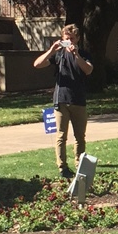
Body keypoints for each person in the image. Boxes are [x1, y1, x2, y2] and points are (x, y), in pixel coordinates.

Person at [34, 24, 94, 177]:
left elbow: (88, 70)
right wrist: (51, 50)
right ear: (62, 39)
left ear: (78, 39)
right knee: (61, 136)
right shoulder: (59, 55)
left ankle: (79, 166)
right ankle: (63, 168)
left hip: (78, 100)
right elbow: (37, 64)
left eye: (72, 39)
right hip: (61, 99)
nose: (70, 42)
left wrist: (76, 55)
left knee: (80, 136)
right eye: (67, 39)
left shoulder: (83, 54)